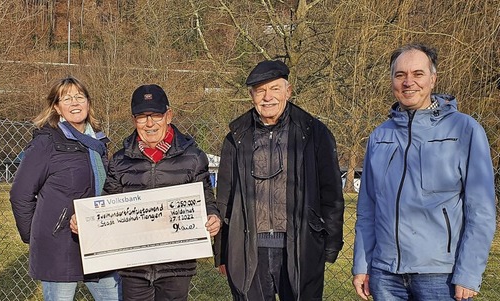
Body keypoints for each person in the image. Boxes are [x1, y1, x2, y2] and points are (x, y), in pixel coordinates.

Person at [352, 43, 497, 301]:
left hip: (441, 275)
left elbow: (481, 210)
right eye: (400, 75)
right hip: (385, 275)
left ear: (433, 79)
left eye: (417, 74)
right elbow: (367, 209)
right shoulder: (380, 136)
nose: (409, 82)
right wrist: (362, 266)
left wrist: (468, 273)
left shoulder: (464, 131)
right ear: (392, 81)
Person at [71, 84, 221, 301]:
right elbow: (107, 207)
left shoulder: (193, 157)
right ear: (134, 120)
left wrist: (212, 216)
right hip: (134, 268)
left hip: (176, 267)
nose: (150, 123)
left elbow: (207, 198)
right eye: (142, 117)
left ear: (168, 115)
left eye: (156, 115)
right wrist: (86, 223)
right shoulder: (120, 160)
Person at [213, 60, 345, 301]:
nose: (267, 97)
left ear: (288, 90)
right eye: (260, 91)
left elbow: (332, 194)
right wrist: (222, 252)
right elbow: (224, 197)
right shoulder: (236, 137)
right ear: (251, 95)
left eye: (274, 88)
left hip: (300, 246)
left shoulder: (314, 133)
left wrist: (331, 244)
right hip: (249, 247)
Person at [10, 76, 121, 301]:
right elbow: (20, 194)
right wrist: (35, 236)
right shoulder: (46, 142)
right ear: (56, 107)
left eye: (79, 97)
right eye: (67, 98)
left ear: (88, 103)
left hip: (96, 240)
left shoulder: (98, 143)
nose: (75, 103)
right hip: (58, 244)